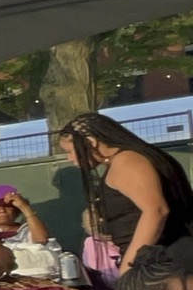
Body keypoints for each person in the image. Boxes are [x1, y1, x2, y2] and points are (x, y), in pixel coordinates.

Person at [61, 111, 193, 273]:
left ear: (91, 142)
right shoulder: (127, 160)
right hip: (159, 260)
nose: (69, 158)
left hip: (164, 261)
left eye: (70, 151)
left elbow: (156, 211)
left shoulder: (126, 162)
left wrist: (129, 266)